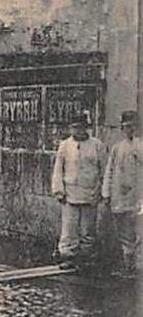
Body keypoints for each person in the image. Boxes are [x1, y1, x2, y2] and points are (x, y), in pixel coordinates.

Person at [51, 113, 107, 270]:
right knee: (69, 228)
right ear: (70, 129)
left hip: (90, 192)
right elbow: (58, 170)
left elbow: (104, 169)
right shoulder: (65, 145)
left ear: (86, 128)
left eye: (81, 127)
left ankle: (86, 257)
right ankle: (68, 256)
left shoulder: (97, 145)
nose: (77, 131)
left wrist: (103, 191)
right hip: (70, 193)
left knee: (88, 229)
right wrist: (58, 191)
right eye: (74, 128)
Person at [102, 111, 143, 276]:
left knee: (138, 229)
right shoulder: (117, 148)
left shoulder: (140, 145)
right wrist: (106, 193)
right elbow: (109, 170)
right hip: (120, 195)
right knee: (123, 230)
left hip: (138, 196)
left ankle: (137, 265)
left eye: (132, 126)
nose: (129, 130)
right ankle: (128, 266)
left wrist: (137, 146)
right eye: (126, 127)